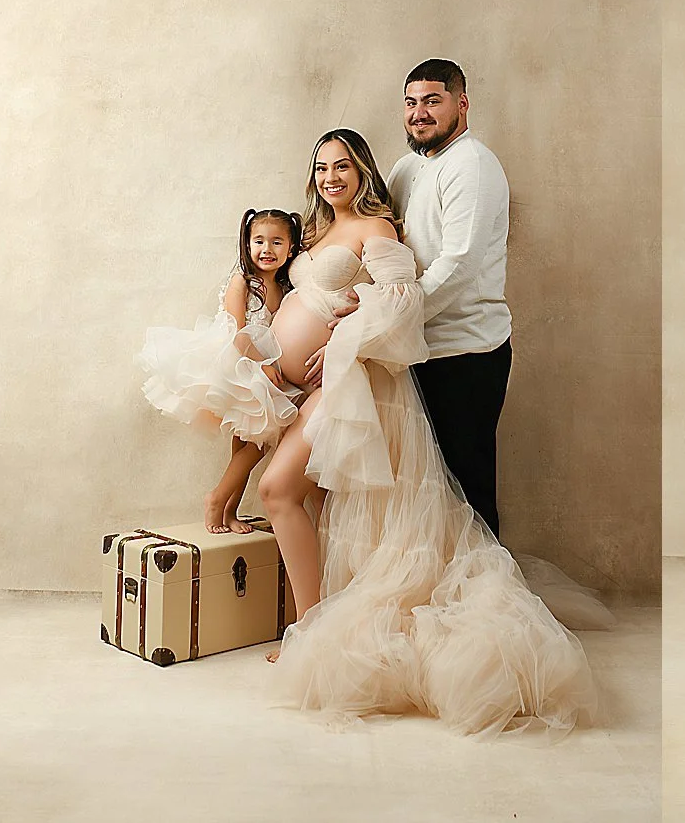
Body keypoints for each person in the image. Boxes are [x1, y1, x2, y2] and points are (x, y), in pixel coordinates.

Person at [250, 127, 596, 737]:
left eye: (342, 166)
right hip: (310, 388)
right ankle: (312, 619)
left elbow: (402, 305)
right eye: (322, 167)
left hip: (349, 386)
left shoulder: (377, 228)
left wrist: (344, 336)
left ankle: (307, 631)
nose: (331, 177)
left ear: (362, 170)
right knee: (312, 502)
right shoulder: (316, 231)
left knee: (278, 490)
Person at [380, 58, 514, 537]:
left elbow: (457, 265)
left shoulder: (472, 165)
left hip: (466, 352)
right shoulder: (406, 167)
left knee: (466, 490)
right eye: (411, 102)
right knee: (425, 493)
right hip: (415, 349)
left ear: (462, 103)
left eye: (432, 101)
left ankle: (486, 583)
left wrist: (388, 318)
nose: (419, 113)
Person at [140, 208, 305, 533]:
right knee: (259, 442)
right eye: (259, 241)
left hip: (260, 368)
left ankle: (231, 510)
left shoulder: (285, 289)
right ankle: (215, 499)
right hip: (236, 364)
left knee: (244, 445)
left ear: (290, 249)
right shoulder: (242, 283)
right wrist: (263, 367)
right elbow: (237, 333)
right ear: (247, 244)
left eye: (276, 242)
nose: (267, 249)